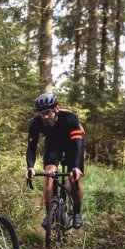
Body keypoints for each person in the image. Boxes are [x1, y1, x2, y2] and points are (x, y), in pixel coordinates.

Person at [25, 92, 85, 229]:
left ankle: (76, 212)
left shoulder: (70, 118)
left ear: (56, 109)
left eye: (48, 113)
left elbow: (78, 146)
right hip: (53, 143)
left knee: (74, 178)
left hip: (73, 143)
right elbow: (31, 147)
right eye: (42, 114)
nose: (45, 117)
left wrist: (76, 168)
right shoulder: (35, 123)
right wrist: (30, 167)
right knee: (48, 175)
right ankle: (49, 213)